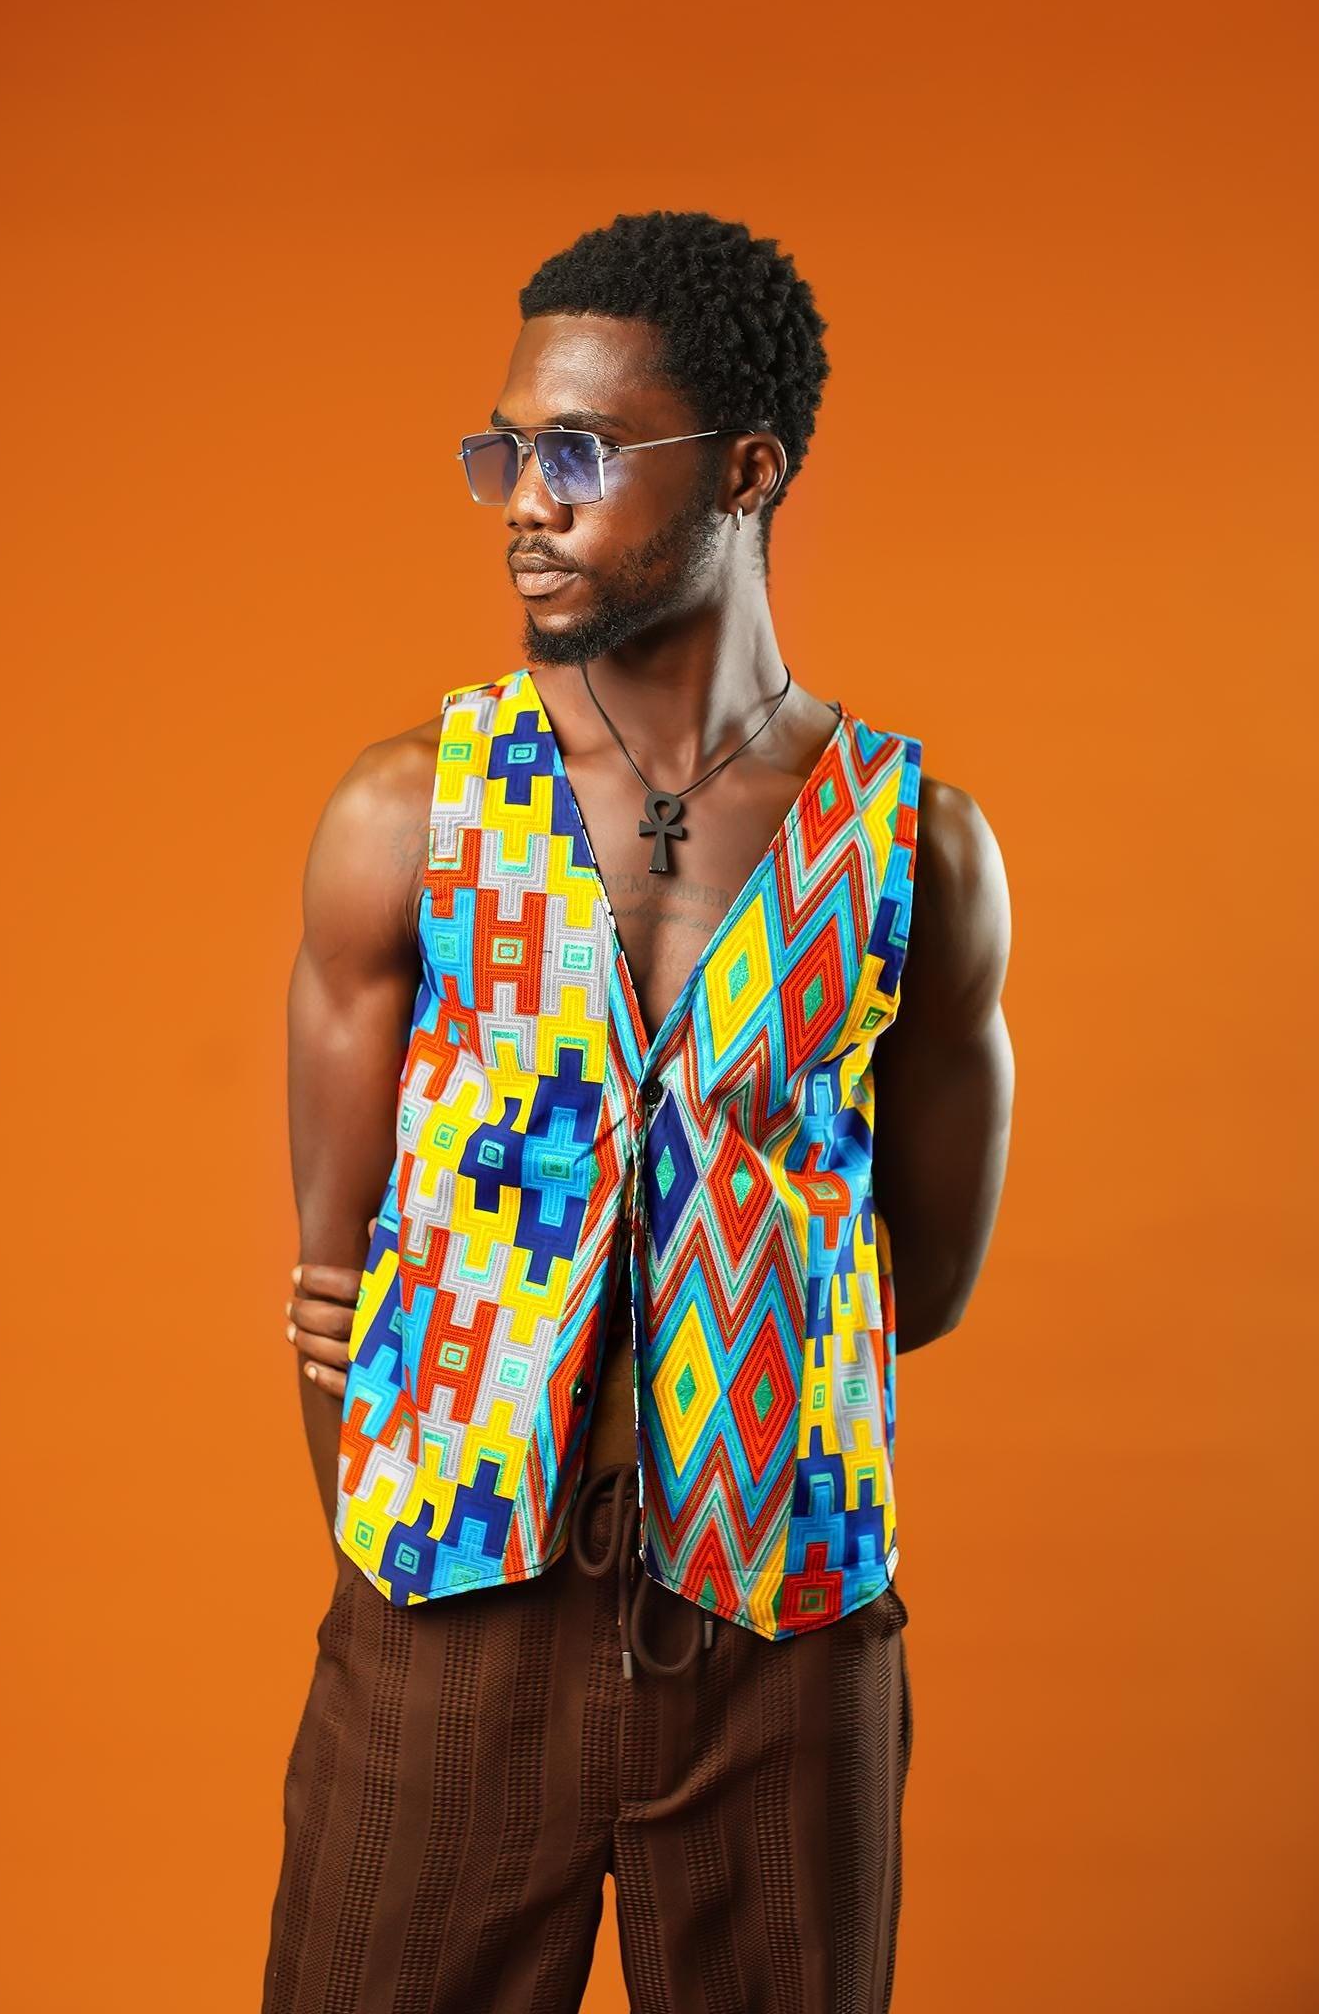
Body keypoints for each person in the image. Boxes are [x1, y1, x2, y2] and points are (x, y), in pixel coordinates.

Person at [262, 209, 1014, 2014]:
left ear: (748, 469)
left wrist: (740, 1231)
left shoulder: (915, 847)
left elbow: (921, 1285)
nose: (524, 496)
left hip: (781, 1623)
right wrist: (427, 1550)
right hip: (450, 1604)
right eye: (504, 450)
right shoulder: (407, 815)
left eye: (579, 452)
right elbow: (326, 1287)